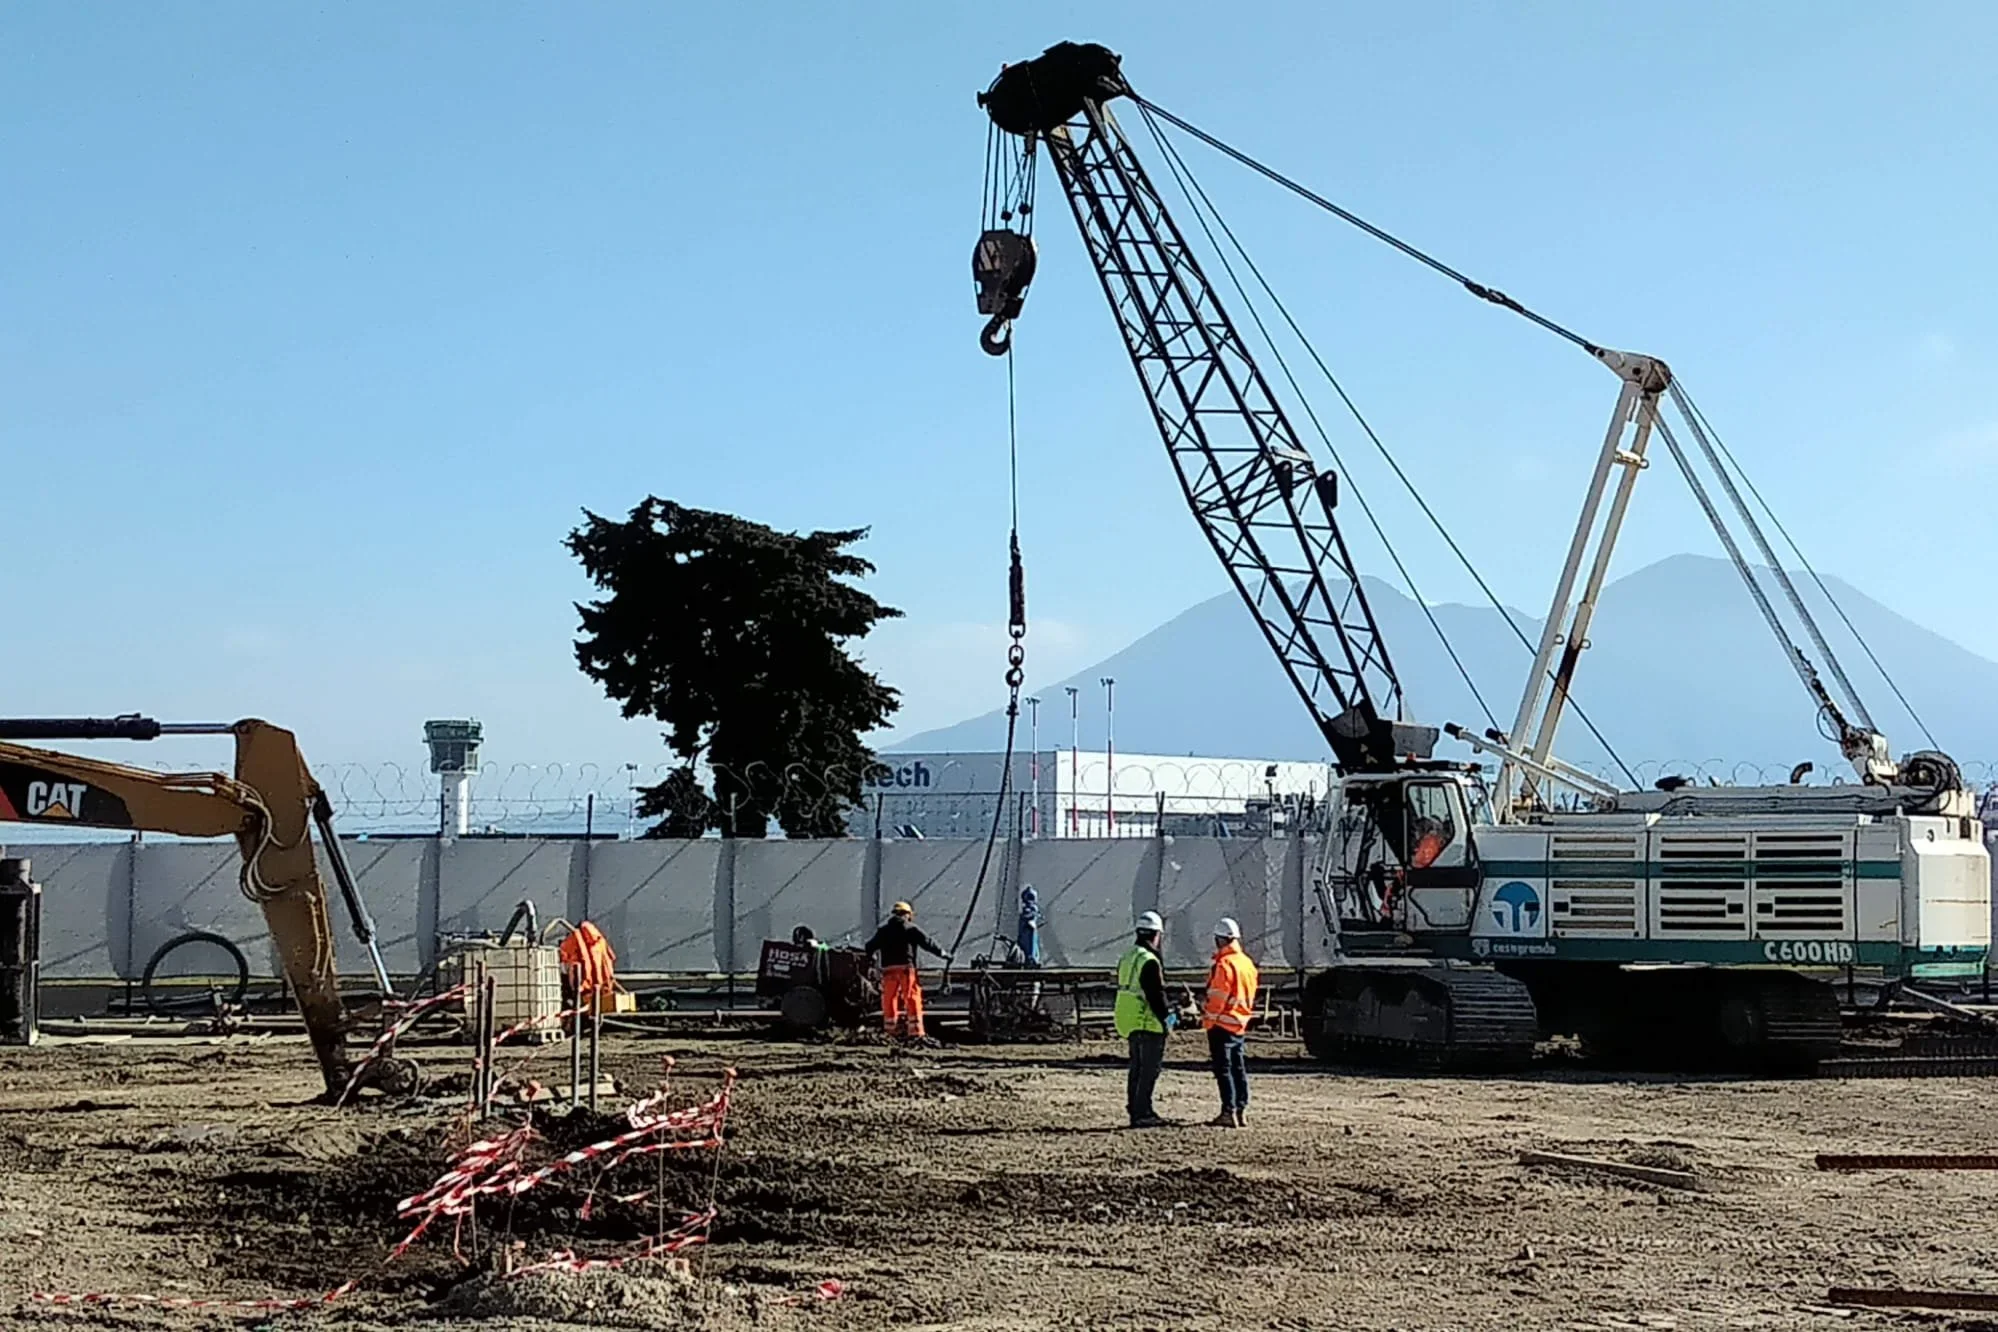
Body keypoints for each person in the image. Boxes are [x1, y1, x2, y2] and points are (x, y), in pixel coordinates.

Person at [1115, 910, 1173, 1128]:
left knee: (1137, 1068)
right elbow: (1156, 995)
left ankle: (1135, 1109)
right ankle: (1143, 1112)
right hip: (1146, 1020)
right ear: (1156, 935)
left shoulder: (1128, 956)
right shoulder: (1149, 961)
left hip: (1128, 1019)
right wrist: (1167, 1019)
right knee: (1149, 1070)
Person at [1202, 917, 1259, 1127]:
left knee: (1223, 1069)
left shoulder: (1224, 965)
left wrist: (1207, 1021)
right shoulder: (1247, 964)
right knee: (1238, 1068)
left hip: (1221, 1026)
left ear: (1220, 940)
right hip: (1239, 1024)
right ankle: (1241, 1110)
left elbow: (1217, 999)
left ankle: (1228, 1112)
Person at [865, 901, 949, 1040]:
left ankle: (890, 1030)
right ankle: (916, 1031)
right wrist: (943, 954)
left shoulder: (883, 931)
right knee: (911, 997)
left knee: (889, 998)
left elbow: (869, 947)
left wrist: (871, 959)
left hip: (888, 970)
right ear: (908, 915)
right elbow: (928, 943)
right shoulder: (911, 929)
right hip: (906, 969)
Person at [1014, 885, 1043, 968]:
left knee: (1032, 946)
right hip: (1027, 930)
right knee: (1028, 945)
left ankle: (1031, 959)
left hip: (1029, 930)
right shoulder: (1028, 910)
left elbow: (1031, 916)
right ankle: (1030, 959)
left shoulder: (1031, 909)